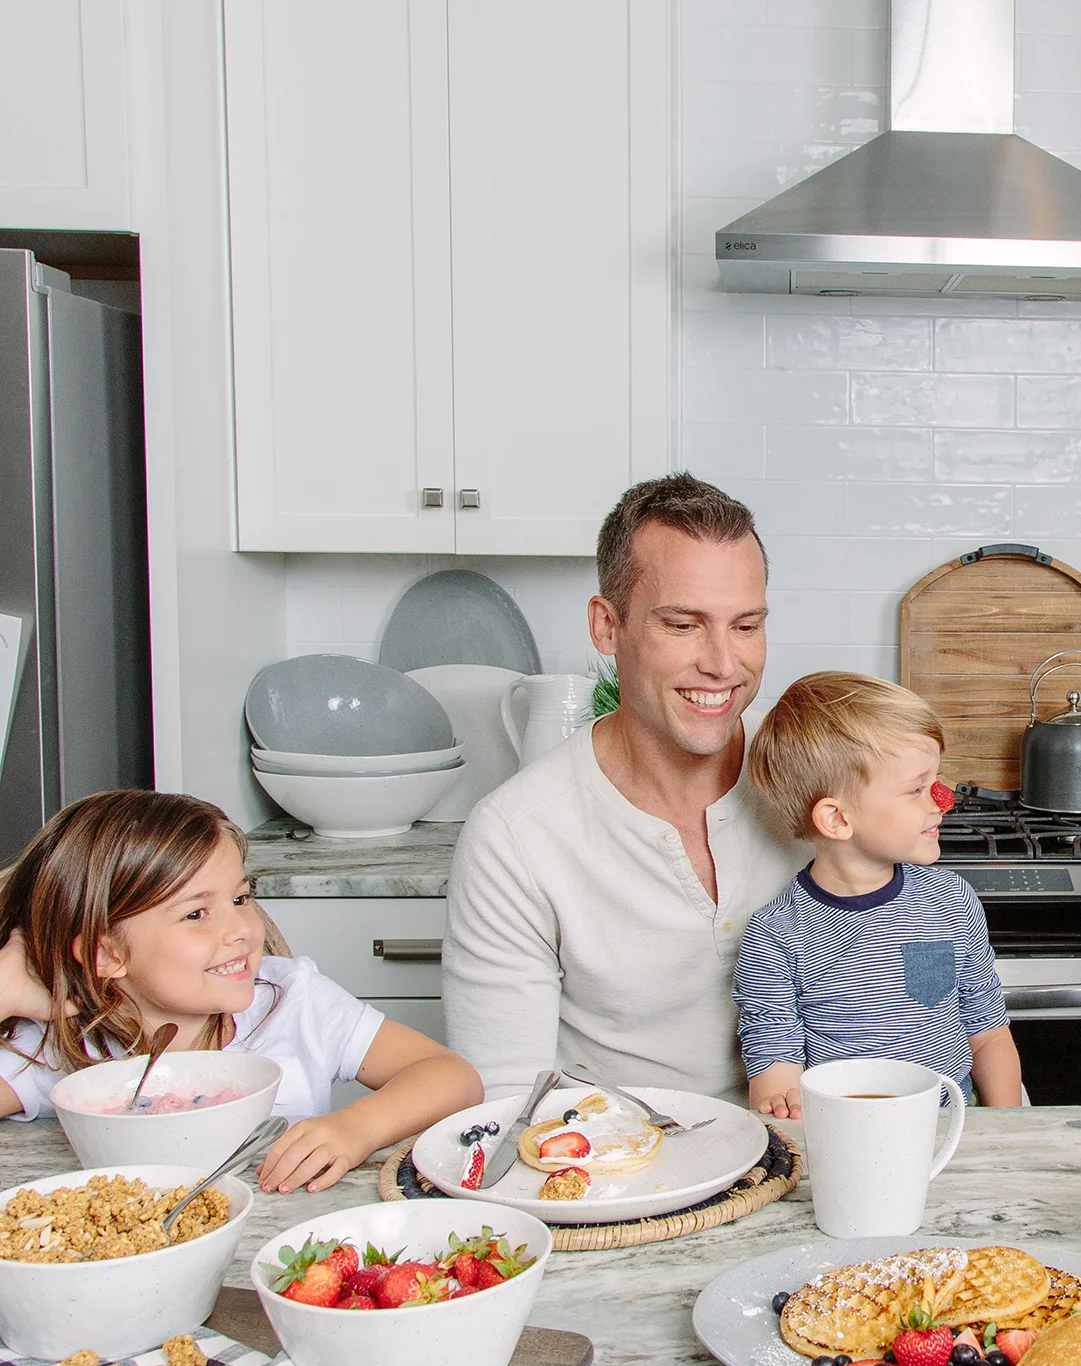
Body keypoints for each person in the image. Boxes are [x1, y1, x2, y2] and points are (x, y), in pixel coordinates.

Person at [442, 474, 808, 1098]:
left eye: (746, 626)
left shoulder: (814, 780)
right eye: (683, 625)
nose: (723, 664)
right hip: (626, 1172)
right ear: (607, 627)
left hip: (822, 1156)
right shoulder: (516, 836)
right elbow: (506, 1105)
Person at [0, 789, 482, 1191]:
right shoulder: (66, 1044)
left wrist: (358, 1126)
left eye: (240, 898)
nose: (242, 930)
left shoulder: (291, 1001)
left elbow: (451, 1076)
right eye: (196, 914)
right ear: (108, 955)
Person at [733, 671, 1023, 1117]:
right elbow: (775, 1070)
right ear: (836, 819)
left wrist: (1006, 1133)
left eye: (936, 781)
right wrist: (782, 1106)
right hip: (845, 1139)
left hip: (955, 1128)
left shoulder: (950, 902)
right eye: (916, 789)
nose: (942, 801)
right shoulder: (775, 936)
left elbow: (988, 1035)